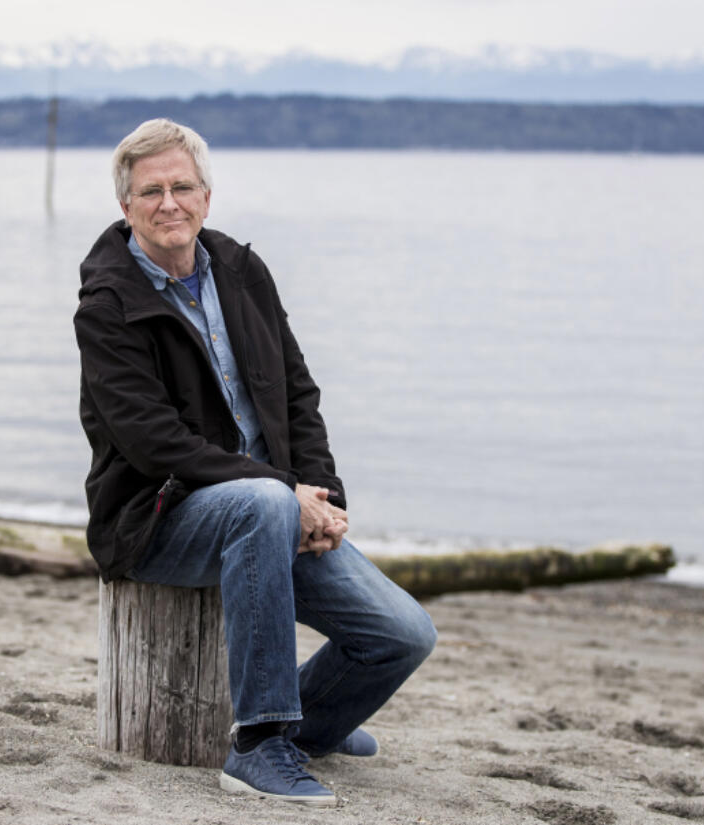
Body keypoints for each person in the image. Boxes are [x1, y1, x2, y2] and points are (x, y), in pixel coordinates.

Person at [73, 118, 437, 807]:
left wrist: (322, 496)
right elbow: (153, 442)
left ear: (207, 196)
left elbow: (296, 391)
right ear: (126, 207)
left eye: (182, 186)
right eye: (151, 191)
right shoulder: (107, 305)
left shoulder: (241, 269)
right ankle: (259, 742)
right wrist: (281, 490)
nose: (169, 203)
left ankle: (307, 718)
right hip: (157, 518)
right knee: (263, 506)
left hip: (272, 503)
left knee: (403, 635)